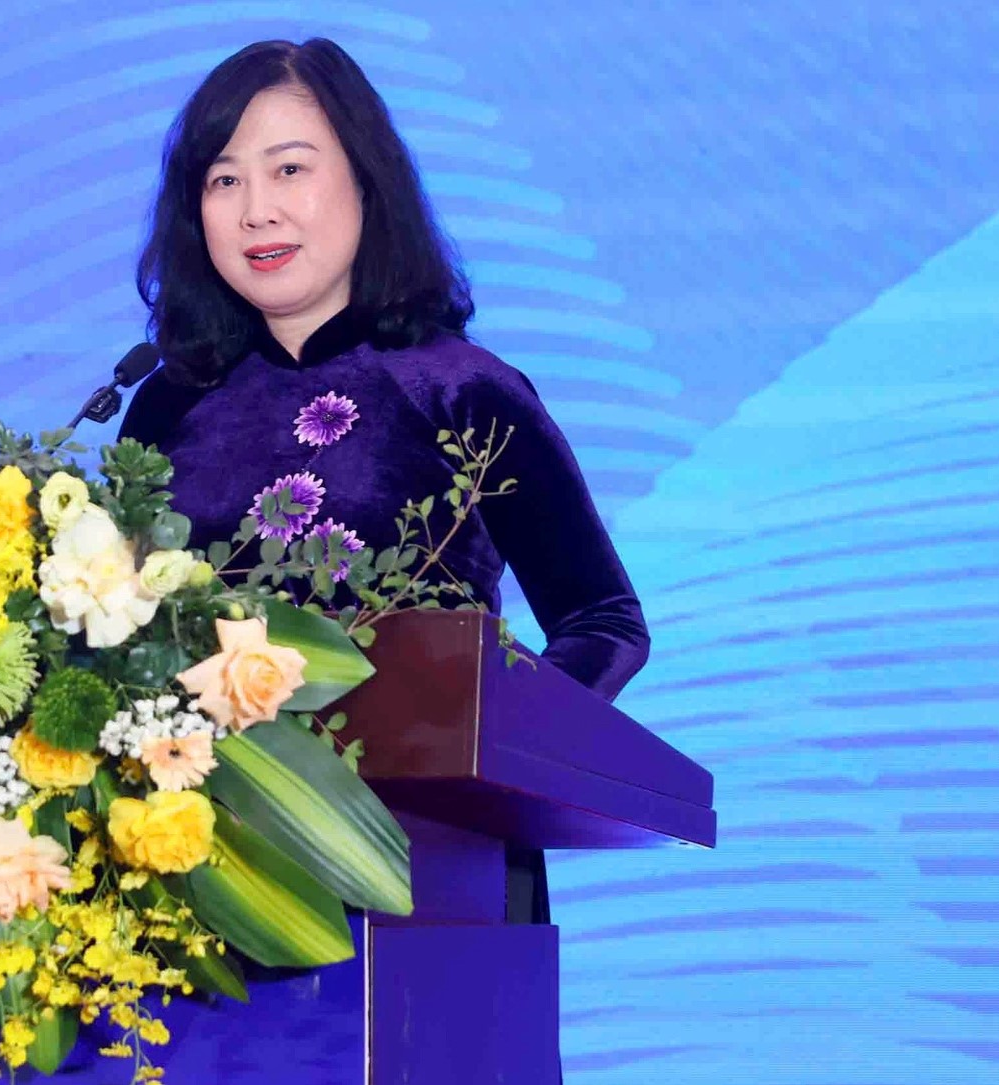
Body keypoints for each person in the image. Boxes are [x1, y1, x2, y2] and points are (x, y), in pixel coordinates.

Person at [117, 27, 648, 1015]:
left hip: (429, 868)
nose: (256, 208)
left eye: (289, 168)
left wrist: (486, 740)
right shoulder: (165, 406)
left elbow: (603, 621)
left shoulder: (459, 389)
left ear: (366, 180)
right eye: (223, 180)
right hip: (193, 872)